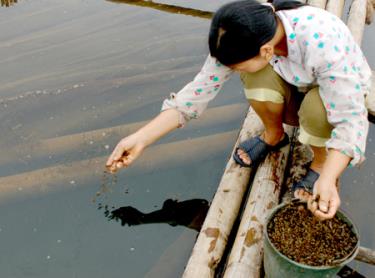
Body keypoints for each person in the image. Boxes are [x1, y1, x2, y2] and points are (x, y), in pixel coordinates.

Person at [106, 0, 371, 220]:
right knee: (255, 77)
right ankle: (273, 136)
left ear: (266, 51)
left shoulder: (323, 42)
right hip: (294, 80)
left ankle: (320, 161)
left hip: (332, 96)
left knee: (316, 110)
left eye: (237, 66)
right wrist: (140, 138)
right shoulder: (239, 31)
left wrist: (328, 178)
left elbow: (351, 121)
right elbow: (196, 94)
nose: (230, 71)